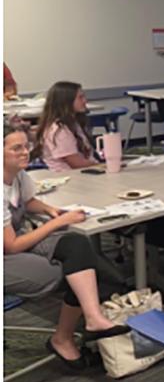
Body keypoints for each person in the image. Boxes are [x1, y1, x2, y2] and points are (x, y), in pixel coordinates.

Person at [4, 123, 128, 369]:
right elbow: (13, 246)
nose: (24, 152)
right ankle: (63, 337)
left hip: (12, 244)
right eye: (16, 148)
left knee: (76, 247)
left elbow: (28, 201)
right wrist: (59, 221)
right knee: (64, 274)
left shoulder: (17, 175)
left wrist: (49, 210)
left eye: (26, 147)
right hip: (8, 251)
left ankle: (91, 320)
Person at [32, 82, 98, 172]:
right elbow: (76, 164)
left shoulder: (72, 123)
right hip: (70, 175)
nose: (85, 101)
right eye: (80, 98)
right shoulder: (60, 130)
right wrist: (101, 165)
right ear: (67, 101)